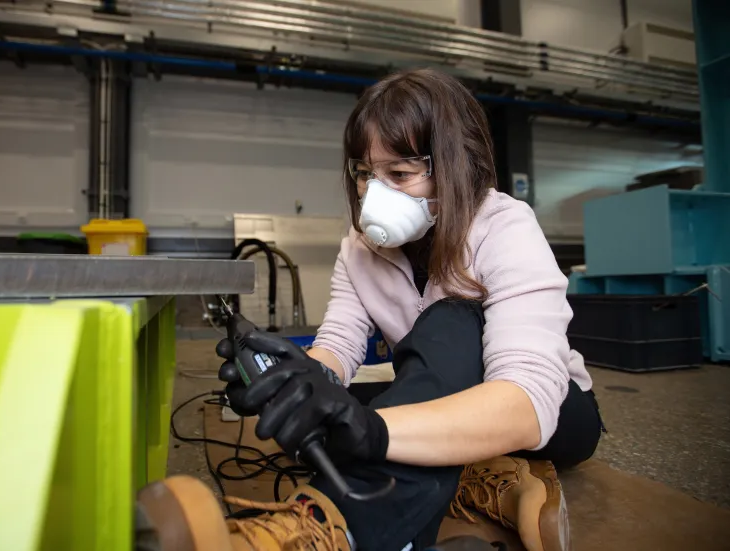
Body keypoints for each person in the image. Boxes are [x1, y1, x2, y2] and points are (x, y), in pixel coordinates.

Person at [139, 67, 604, 551]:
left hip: (552, 411)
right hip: (451, 394)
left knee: (452, 320)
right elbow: (339, 345)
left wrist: (375, 431)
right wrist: (294, 382)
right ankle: (483, 479)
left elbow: (527, 403)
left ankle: (321, 532)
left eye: (399, 174)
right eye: (364, 173)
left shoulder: (504, 227)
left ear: (455, 167)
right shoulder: (359, 248)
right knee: (329, 417)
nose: (371, 194)